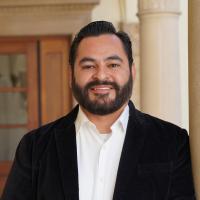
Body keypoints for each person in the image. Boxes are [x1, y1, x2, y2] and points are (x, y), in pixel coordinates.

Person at [2, 21, 195, 200]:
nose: (101, 75)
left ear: (132, 71)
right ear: (71, 75)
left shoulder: (172, 142)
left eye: (113, 65)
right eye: (88, 66)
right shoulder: (34, 147)